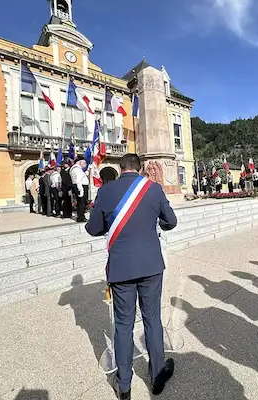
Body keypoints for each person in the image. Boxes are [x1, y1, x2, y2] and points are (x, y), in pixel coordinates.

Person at [85, 154, 177, 399]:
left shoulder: (105, 191)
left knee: (123, 326)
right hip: (150, 266)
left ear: (120, 168)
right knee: (152, 319)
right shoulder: (154, 189)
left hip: (121, 269)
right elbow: (171, 222)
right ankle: (157, 376)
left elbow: (93, 228)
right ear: (140, 169)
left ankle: (124, 385)